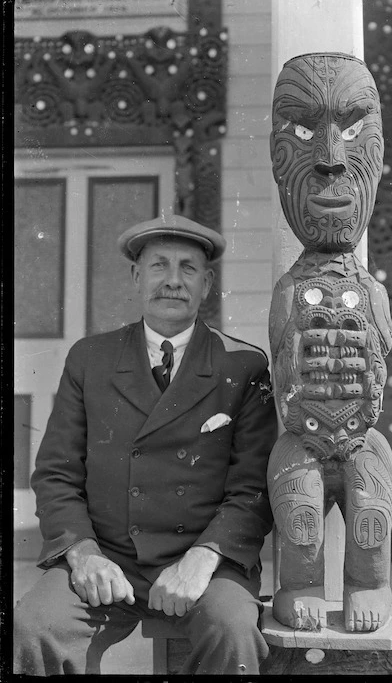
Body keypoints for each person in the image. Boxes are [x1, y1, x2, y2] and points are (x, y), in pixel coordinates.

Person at [14, 213, 278, 675]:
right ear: (137, 277)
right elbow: (56, 474)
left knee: (233, 631)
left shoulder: (243, 366)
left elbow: (252, 490)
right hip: (108, 556)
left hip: (203, 560)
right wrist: (84, 555)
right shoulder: (90, 359)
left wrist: (203, 559)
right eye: (159, 266)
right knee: (35, 626)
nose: (173, 281)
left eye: (188, 269)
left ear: (207, 283)